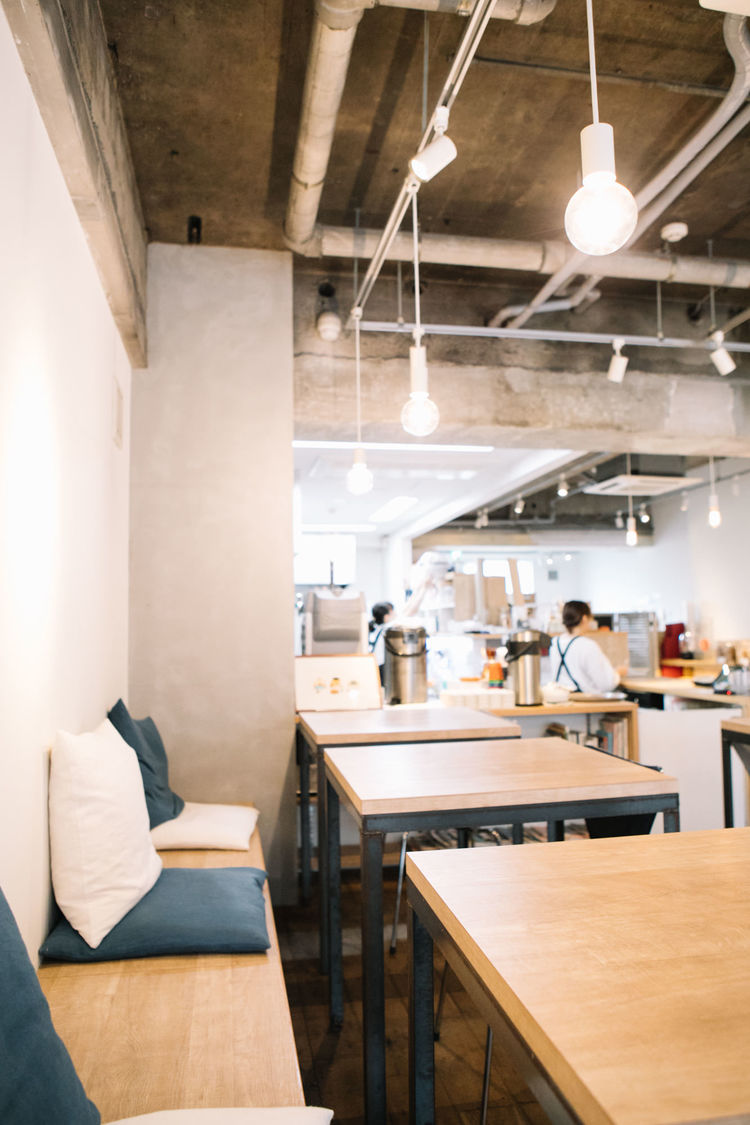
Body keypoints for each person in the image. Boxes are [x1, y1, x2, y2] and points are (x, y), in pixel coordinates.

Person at [549, 600, 625, 694]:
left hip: (560, 699)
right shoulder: (588, 645)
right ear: (584, 619)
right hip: (584, 703)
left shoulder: (555, 644)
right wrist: (618, 673)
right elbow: (606, 683)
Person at [369, 601, 394, 683]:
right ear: (386, 616)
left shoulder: (372, 628)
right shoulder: (386, 630)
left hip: (371, 664)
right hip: (381, 666)